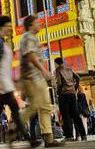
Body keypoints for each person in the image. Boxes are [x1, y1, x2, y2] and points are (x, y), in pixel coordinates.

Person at [0, 16, 35, 149]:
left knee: (8, 114)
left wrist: (13, 80)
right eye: (7, 25)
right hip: (1, 86)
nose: (10, 28)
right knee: (6, 114)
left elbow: (4, 66)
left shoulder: (4, 43)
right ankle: (29, 139)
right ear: (1, 27)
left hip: (6, 84)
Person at [19, 15, 64, 148]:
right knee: (36, 105)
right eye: (37, 22)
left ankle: (49, 138)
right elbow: (30, 55)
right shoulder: (28, 36)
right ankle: (16, 126)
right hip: (32, 77)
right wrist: (44, 70)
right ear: (31, 25)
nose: (39, 24)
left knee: (45, 106)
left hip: (37, 77)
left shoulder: (32, 37)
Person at [53, 58, 86, 141]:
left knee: (66, 116)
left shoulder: (58, 70)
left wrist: (58, 92)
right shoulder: (69, 69)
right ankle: (83, 135)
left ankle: (69, 136)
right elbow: (77, 78)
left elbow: (60, 83)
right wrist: (75, 87)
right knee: (76, 115)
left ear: (56, 63)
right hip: (72, 94)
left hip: (64, 95)